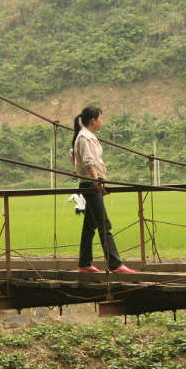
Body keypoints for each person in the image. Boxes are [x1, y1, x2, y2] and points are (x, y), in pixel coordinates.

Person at [71, 105, 136, 274]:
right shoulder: (85, 137)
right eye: (101, 118)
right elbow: (89, 161)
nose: (102, 122)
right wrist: (97, 181)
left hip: (88, 183)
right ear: (93, 120)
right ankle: (115, 264)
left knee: (90, 226)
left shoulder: (86, 136)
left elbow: (74, 156)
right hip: (91, 184)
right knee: (103, 224)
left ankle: (84, 263)